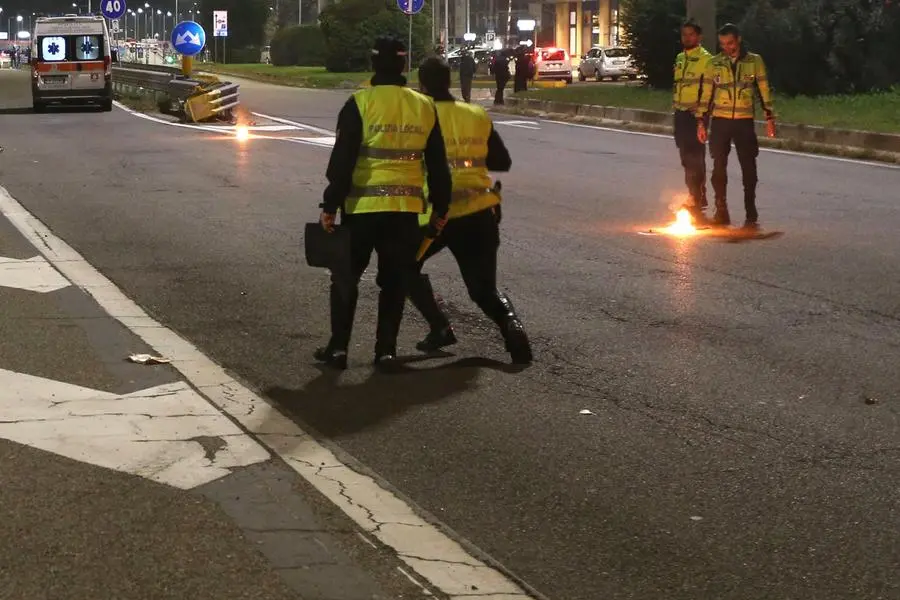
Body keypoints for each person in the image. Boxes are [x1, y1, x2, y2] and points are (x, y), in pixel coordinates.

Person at [315, 37, 452, 370]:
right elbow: (437, 165)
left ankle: (338, 349)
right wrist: (441, 208)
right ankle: (386, 352)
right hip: (404, 213)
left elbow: (343, 162)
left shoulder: (359, 103)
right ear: (404, 66)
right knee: (394, 282)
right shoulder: (424, 106)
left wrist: (330, 204)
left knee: (346, 277)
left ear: (373, 64)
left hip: (362, 209)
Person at [407, 57, 533, 365]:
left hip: (436, 216)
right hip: (479, 212)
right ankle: (512, 327)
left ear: (422, 85)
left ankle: (439, 327)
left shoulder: (420, 116)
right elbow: (502, 161)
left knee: (403, 268)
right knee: (483, 290)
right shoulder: (475, 114)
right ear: (449, 80)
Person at [696, 23, 777, 230]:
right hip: (721, 121)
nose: (727, 47)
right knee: (718, 168)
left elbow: (764, 89)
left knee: (749, 168)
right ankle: (721, 211)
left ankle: (751, 212)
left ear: (738, 40)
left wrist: (769, 117)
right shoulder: (714, 63)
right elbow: (706, 94)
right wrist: (701, 122)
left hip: (744, 121)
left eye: (730, 43)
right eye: (723, 44)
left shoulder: (754, 61)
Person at [672, 20, 712, 223]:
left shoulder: (706, 60)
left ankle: (696, 198)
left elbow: (707, 89)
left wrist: (701, 117)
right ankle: (695, 195)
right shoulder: (680, 58)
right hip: (680, 114)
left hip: (696, 115)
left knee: (695, 157)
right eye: (684, 35)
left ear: (699, 37)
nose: (687, 38)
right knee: (685, 157)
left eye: (691, 35)